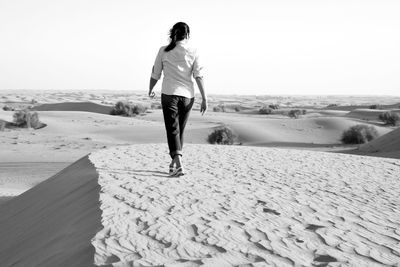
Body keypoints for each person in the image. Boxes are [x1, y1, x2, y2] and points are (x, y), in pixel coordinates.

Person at [149, 22, 207, 177]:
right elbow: (198, 75)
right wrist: (204, 98)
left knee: (172, 129)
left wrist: (150, 88)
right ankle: (173, 163)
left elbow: (155, 73)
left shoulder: (164, 51)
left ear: (173, 34)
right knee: (179, 130)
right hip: (188, 96)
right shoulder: (193, 51)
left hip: (169, 94)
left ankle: (179, 162)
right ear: (187, 35)